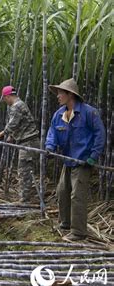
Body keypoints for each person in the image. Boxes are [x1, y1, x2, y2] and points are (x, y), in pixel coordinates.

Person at [45, 78, 106, 241]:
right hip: (67, 160)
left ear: (70, 95)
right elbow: (52, 133)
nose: (57, 96)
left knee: (77, 196)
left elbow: (100, 135)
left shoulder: (88, 113)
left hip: (83, 161)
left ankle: (78, 232)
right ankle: (65, 223)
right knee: (62, 191)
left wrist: (93, 156)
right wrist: (50, 147)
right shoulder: (59, 115)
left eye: (60, 93)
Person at [0, 86, 39, 203]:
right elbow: (22, 123)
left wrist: (2, 133)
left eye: (4, 99)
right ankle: (25, 196)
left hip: (28, 143)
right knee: (26, 170)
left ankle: (24, 199)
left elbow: (13, 124)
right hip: (29, 141)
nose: (5, 102)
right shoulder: (20, 104)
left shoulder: (16, 106)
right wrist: (12, 136)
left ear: (8, 96)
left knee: (24, 171)